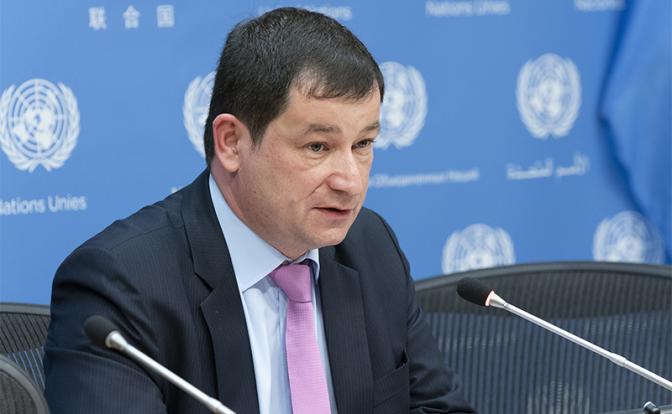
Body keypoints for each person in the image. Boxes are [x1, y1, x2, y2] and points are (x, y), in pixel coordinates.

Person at [44, 7, 475, 414]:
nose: (350, 180)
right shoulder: (121, 286)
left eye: (363, 144)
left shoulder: (369, 246)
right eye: (317, 146)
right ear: (231, 142)